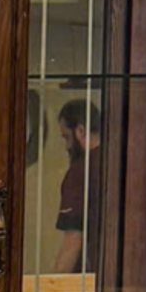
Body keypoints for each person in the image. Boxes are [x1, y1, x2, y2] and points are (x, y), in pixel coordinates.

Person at [50, 98, 101, 274]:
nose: (66, 146)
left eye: (66, 137)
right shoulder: (121, 165)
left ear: (80, 131)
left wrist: (53, 288)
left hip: (88, 282)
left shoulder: (80, 172)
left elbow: (73, 238)